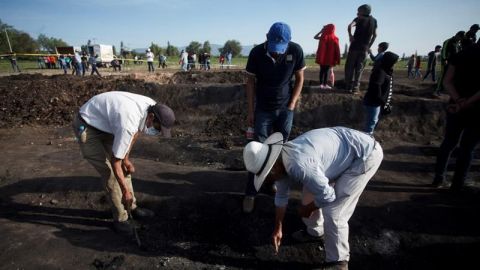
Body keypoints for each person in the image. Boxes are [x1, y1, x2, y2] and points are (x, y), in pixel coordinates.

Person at [243, 127, 383, 270]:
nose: (269, 180)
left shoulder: (300, 166)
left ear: (272, 168)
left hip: (364, 155)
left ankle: (338, 262)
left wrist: (308, 208)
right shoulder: (280, 162)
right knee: (310, 193)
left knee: (334, 212)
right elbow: (281, 195)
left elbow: (328, 195)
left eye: (267, 176)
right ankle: (316, 231)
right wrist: (278, 227)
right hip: (340, 153)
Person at [73, 91, 175, 235]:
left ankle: (131, 207)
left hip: (107, 123)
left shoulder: (151, 106)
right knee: (111, 174)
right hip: (87, 125)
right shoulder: (128, 122)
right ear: (152, 117)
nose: (157, 132)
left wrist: (126, 159)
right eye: (158, 128)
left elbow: (135, 134)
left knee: (124, 168)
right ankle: (120, 219)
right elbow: (115, 161)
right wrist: (125, 190)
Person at [242, 22, 306, 213]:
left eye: (281, 49)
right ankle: (250, 193)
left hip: (286, 109)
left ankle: (272, 186)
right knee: (258, 151)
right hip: (263, 110)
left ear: (288, 42)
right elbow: (250, 83)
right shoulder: (256, 53)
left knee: (280, 151)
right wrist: (251, 111)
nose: (277, 53)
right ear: (267, 38)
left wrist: (292, 103)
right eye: (274, 48)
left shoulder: (295, 51)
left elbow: (300, 78)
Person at [432, 43, 480, 191]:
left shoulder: (460, 54)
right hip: (477, 110)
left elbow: (447, 81)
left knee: (448, 143)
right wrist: (467, 102)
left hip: (455, 107)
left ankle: (438, 179)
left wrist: (458, 100)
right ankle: (458, 183)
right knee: (468, 148)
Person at [363, 52, 399, 134]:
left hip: (377, 102)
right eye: (394, 63)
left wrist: (385, 103)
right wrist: (382, 101)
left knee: (373, 122)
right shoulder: (380, 72)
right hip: (373, 102)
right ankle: (367, 141)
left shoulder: (386, 71)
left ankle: (368, 138)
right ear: (389, 62)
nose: (394, 65)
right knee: (371, 123)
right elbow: (376, 87)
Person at [344, 4, 377, 93]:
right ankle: (355, 88)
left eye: (358, 11)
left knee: (349, 68)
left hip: (354, 48)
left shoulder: (358, 19)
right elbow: (375, 35)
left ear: (363, 11)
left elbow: (349, 26)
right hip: (364, 50)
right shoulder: (374, 21)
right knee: (359, 69)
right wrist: (369, 46)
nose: (357, 13)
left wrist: (350, 36)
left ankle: (348, 87)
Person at [435, 31, 465, 96]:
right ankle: (438, 90)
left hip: (453, 62)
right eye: (460, 37)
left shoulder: (457, 43)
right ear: (457, 35)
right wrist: (445, 59)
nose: (460, 39)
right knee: (442, 75)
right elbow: (444, 51)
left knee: (451, 76)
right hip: (445, 61)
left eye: (461, 38)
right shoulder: (448, 41)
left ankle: (445, 89)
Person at [314, 24, 340, 89]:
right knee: (326, 71)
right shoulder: (335, 38)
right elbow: (337, 49)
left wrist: (321, 31)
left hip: (322, 57)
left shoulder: (323, 36)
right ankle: (325, 84)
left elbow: (315, 37)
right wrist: (336, 58)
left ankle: (321, 84)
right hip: (329, 58)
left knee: (322, 71)